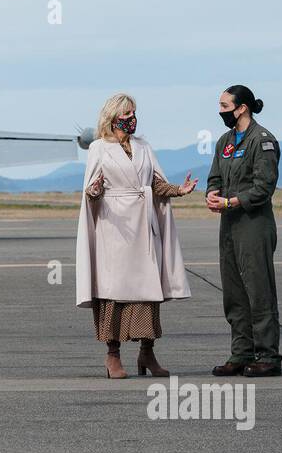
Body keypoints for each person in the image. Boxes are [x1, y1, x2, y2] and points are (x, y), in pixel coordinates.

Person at [76, 93, 198, 378]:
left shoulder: (144, 146)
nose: (132, 119)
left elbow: (156, 183)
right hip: (113, 227)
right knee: (113, 291)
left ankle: (147, 353)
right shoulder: (98, 148)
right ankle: (113, 355)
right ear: (113, 117)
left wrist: (178, 190)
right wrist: (94, 190)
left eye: (134, 114)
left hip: (143, 227)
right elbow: (90, 191)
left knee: (146, 292)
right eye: (127, 115)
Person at [204, 85, 282, 376]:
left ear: (242, 108)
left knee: (258, 290)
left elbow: (264, 187)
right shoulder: (225, 141)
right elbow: (215, 175)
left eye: (225, 105)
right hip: (229, 224)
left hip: (253, 223)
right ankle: (241, 352)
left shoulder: (262, 141)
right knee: (234, 292)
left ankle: (268, 356)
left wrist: (233, 201)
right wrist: (213, 194)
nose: (221, 111)